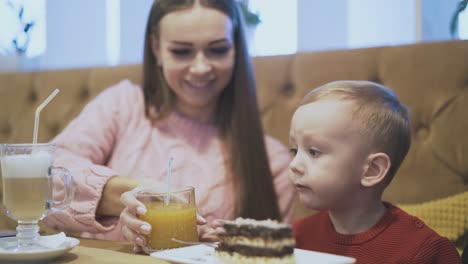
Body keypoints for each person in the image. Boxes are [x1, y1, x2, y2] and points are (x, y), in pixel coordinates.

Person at [43, 0, 295, 247]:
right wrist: (130, 196)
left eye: (217, 49)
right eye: (181, 51)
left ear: (236, 50)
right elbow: (45, 175)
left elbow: (274, 252)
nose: (200, 67)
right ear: (156, 49)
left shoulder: (273, 162)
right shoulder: (123, 105)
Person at [289, 80, 461, 263]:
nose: (294, 164)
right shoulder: (295, 236)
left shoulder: (425, 251)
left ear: (372, 170)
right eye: (294, 150)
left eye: (314, 152)